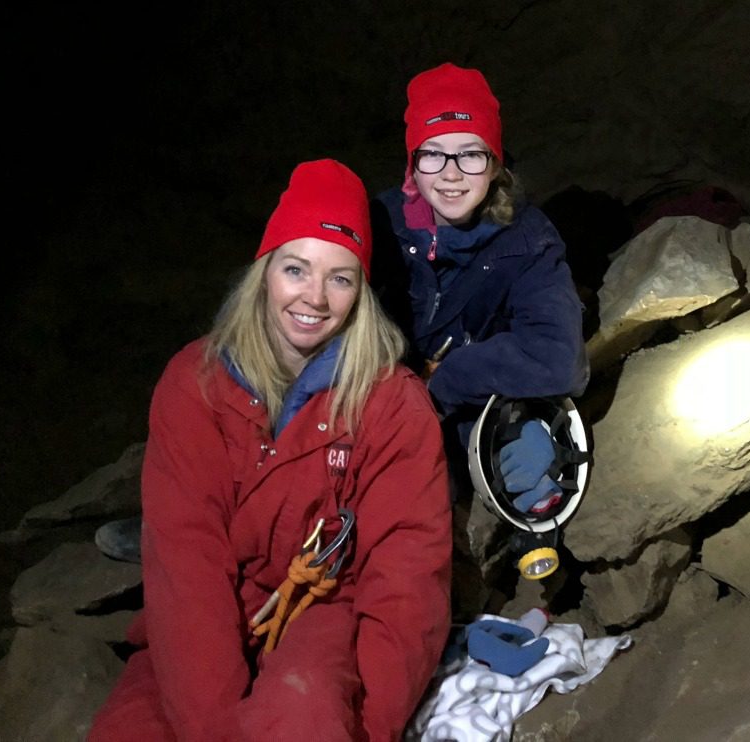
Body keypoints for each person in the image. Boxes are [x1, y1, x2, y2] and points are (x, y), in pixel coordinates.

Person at [88, 159, 452, 741]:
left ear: (361, 292)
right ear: (264, 272)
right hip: (214, 611)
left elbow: (406, 587)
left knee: (305, 710)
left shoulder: (390, 405)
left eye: (340, 278)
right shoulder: (196, 385)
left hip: (326, 612)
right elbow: (186, 565)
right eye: (296, 269)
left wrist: (366, 729)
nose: (315, 297)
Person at [370, 63, 588, 517]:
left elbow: (559, 357)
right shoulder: (380, 225)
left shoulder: (527, 239)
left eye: (470, 154)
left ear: (494, 163)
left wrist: (447, 382)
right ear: (412, 165)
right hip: (381, 397)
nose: (451, 174)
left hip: (468, 401)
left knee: (524, 464)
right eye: (433, 154)